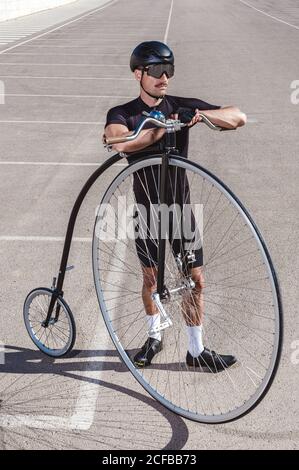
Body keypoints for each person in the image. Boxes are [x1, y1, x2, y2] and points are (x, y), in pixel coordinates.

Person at [103, 41, 247, 372]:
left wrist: (199, 115)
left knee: (195, 280)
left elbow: (237, 116)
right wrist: (159, 128)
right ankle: (154, 335)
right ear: (138, 74)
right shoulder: (123, 113)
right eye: (156, 70)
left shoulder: (179, 105)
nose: (164, 77)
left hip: (181, 211)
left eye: (169, 70)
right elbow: (118, 139)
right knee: (151, 280)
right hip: (149, 213)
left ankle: (195, 351)